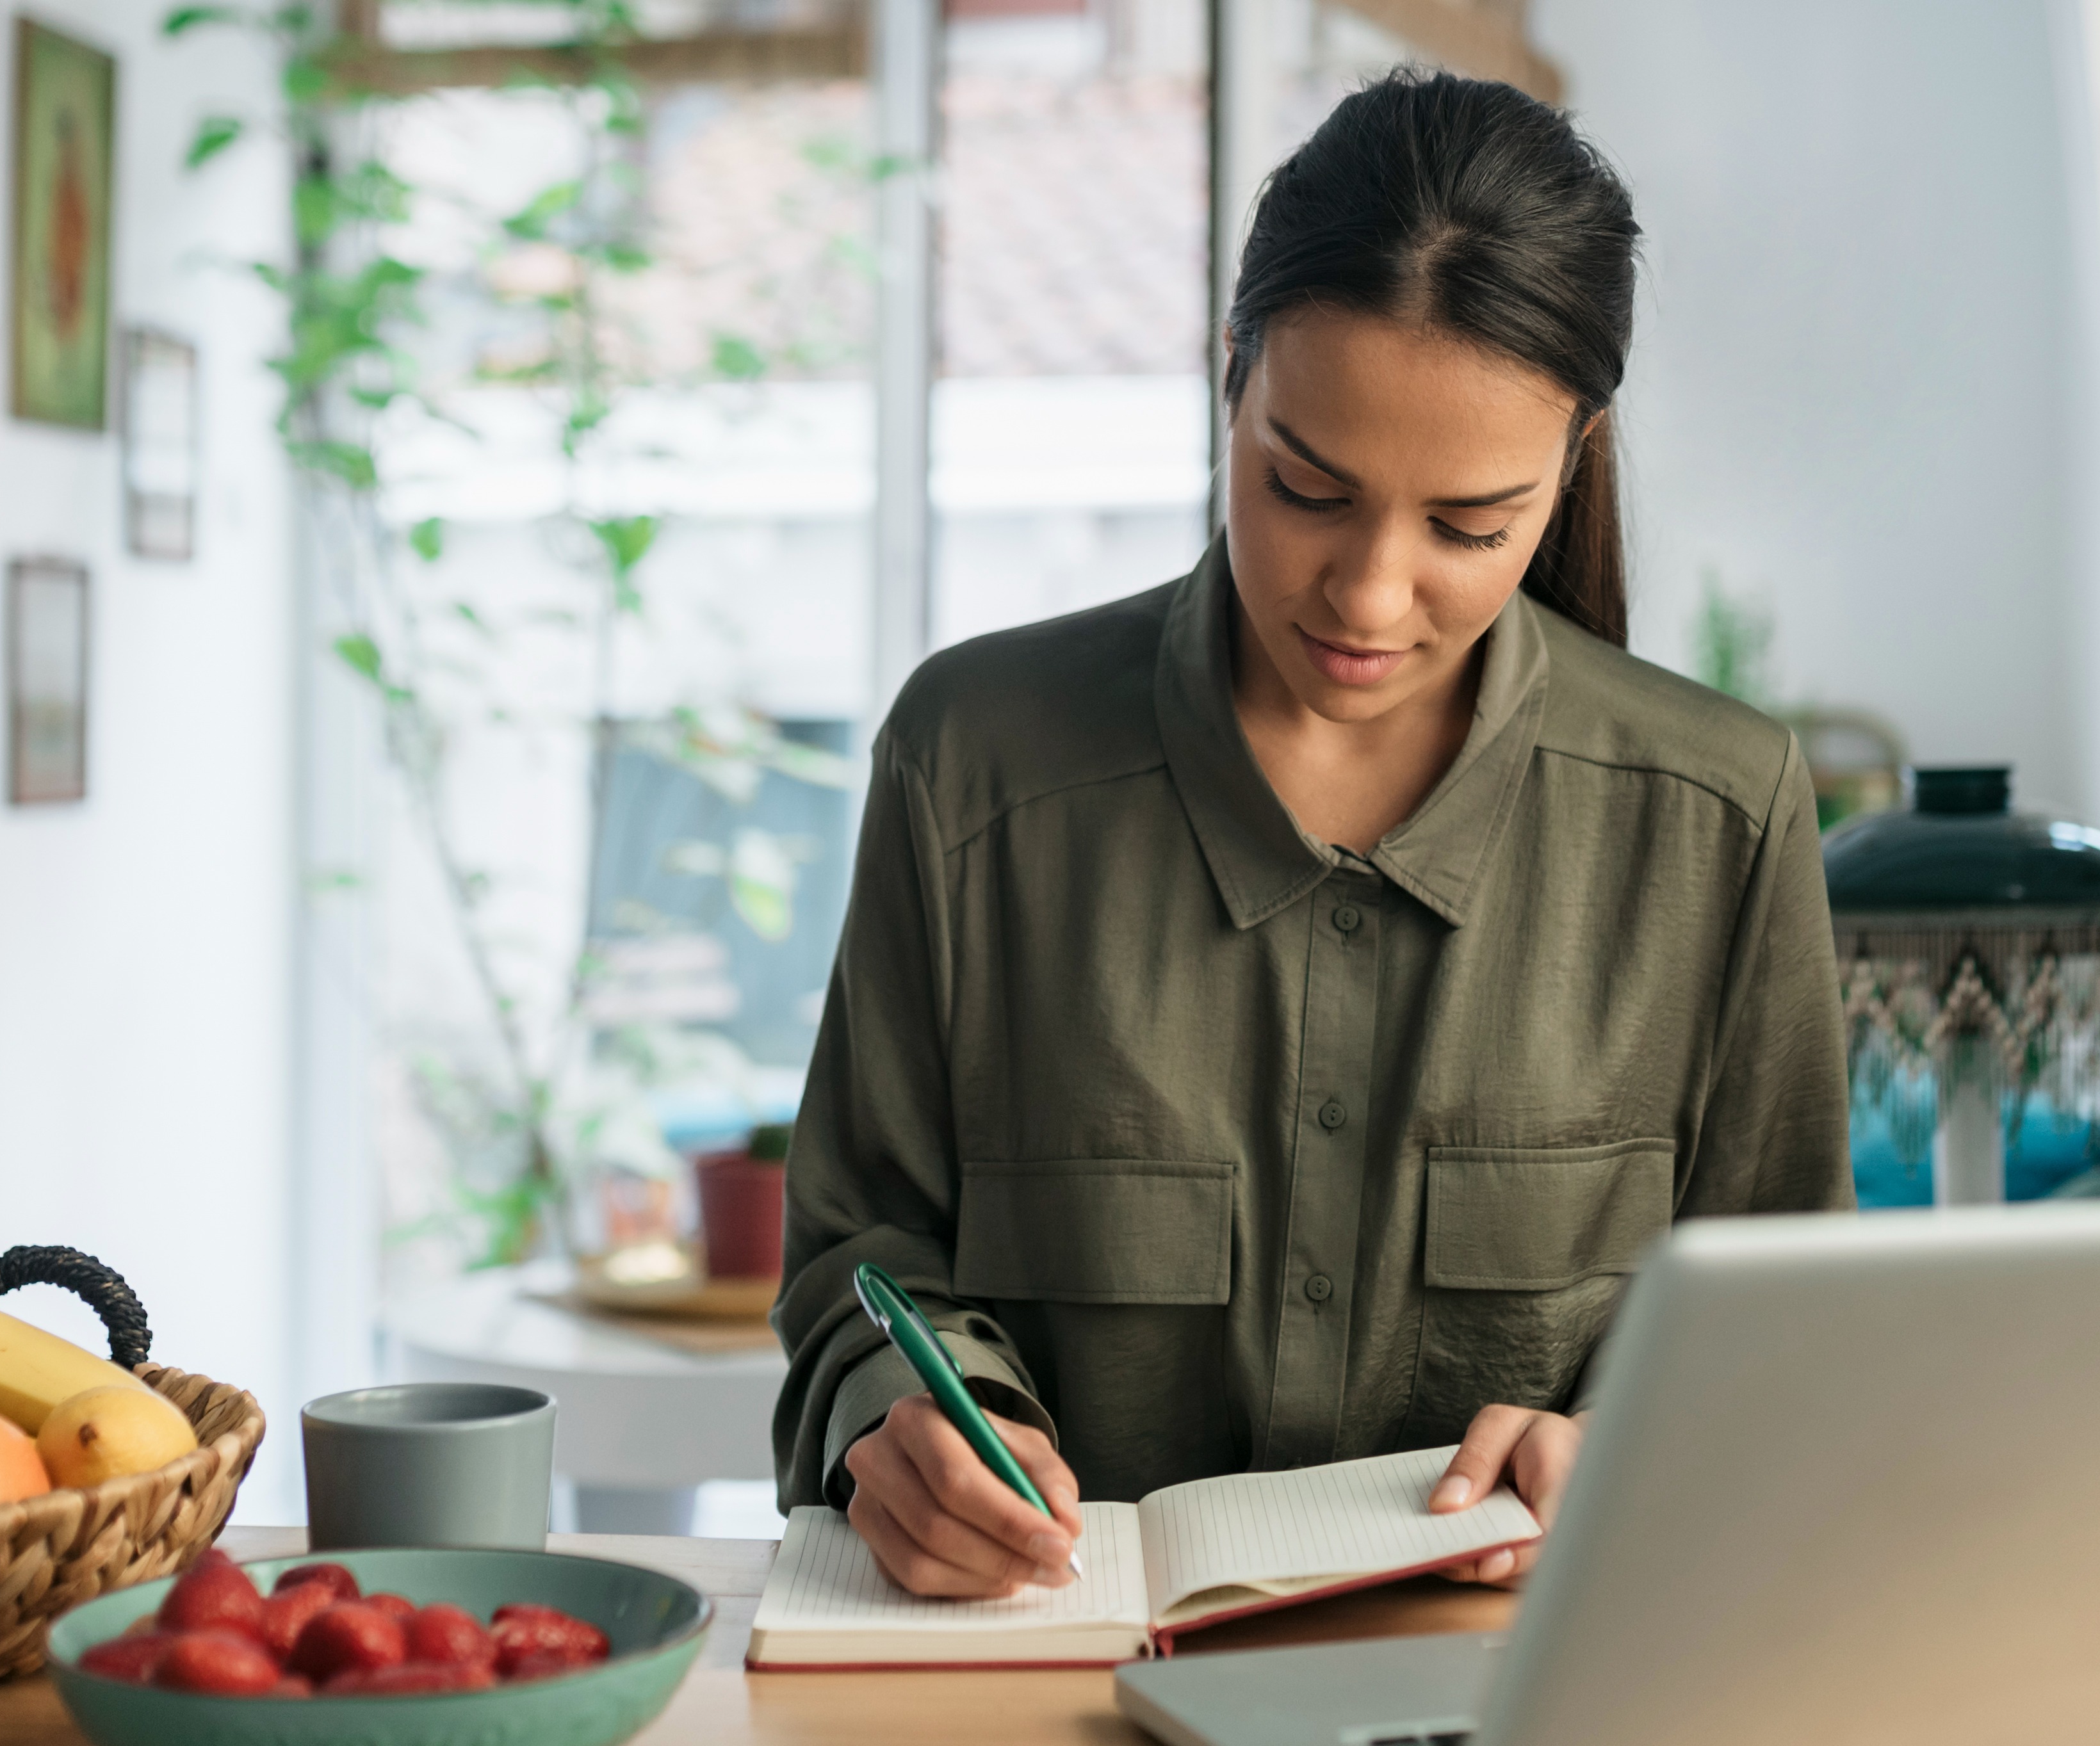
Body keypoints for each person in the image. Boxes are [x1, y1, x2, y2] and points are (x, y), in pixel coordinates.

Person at [769, 70, 1851, 1601]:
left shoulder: (1716, 816)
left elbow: (1787, 1336)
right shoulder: (974, 763)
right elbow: (858, 1256)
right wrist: (911, 1422)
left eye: (1468, 526)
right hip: (1040, 1675)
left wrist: (1635, 1441)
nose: (1365, 595)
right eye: (1304, 487)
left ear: (1573, 457)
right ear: (1231, 375)